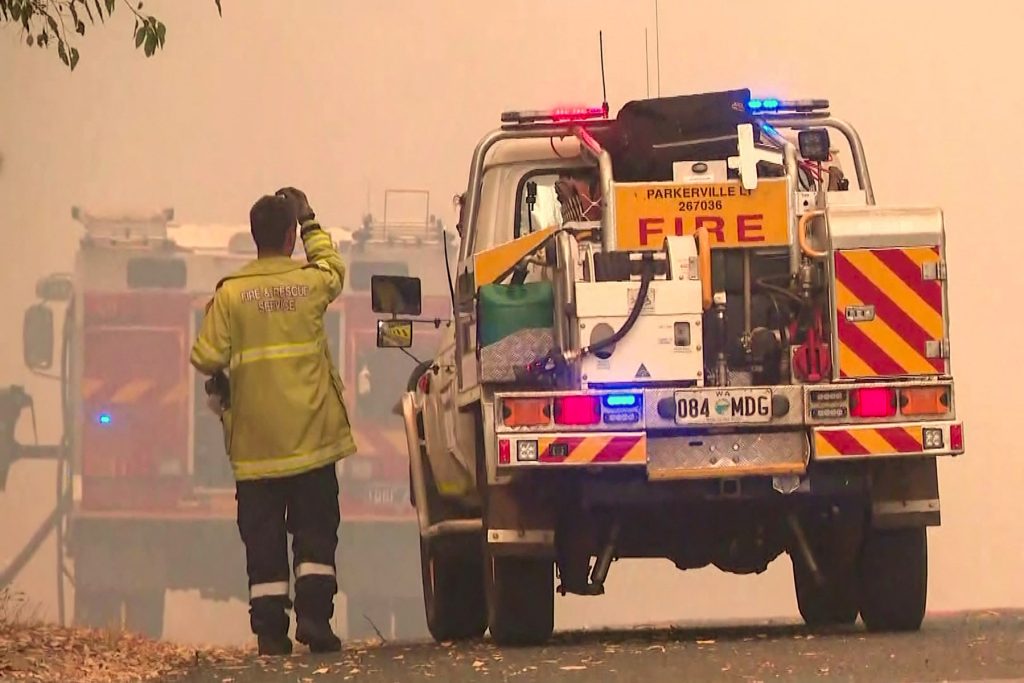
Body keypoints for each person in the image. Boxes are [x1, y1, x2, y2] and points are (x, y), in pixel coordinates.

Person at [190, 188, 356, 656]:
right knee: (315, 535)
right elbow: (334, 268)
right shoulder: (310, 283)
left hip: (256, 448)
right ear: (289, 237)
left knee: (262, 543)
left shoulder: (231, 294)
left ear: (254, 236)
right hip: (312, 441)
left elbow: (205, 356)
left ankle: (270, 634)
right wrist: (312, 221)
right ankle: (315, 623)